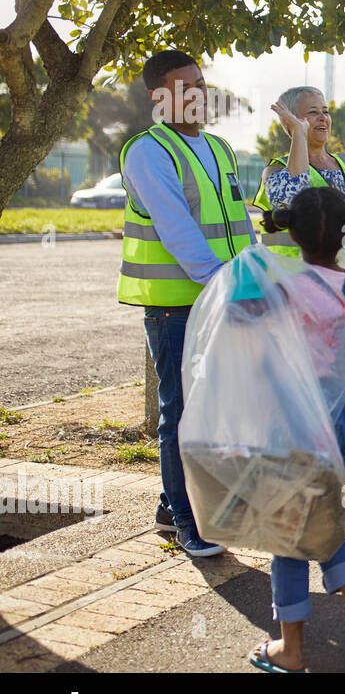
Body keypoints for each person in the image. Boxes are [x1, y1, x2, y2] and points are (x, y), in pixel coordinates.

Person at [248, 186, 345, 672]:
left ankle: (290, 649)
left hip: (300, 414)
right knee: (326, 516)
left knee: (289, 530)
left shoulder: (282, 286)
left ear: (292, 233)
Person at [118, 50, 256, 558]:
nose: (198, 94)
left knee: (214, 408)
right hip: (180, 307)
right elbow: (180, 233)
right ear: (160, 96)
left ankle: (172, 503)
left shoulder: (219, 148)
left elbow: (236, 224)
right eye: (184, 87)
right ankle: (187, 520)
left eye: (200, 83)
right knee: (182, 413)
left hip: (223, 298)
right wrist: (228, 286)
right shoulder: (148, 152)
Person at [252, 86, 345, 256]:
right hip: (296, 277)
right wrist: (299, 131)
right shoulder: (275, 170)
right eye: (313, 112)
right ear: (287, 121)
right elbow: (290, 200)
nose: (322, 118)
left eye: (326, 112)